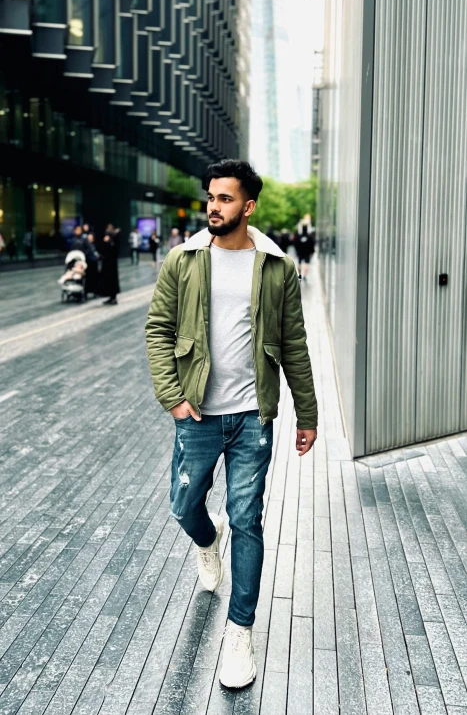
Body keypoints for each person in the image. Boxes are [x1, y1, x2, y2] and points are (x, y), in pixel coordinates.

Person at [146, 159, 318, 690]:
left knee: (248, 520)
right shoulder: (183, 259)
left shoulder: (275, 266)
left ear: (248, 205)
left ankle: (239, 634)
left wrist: (306, 413)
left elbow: (293, 343)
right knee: (184, 506)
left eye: (224, 198)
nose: (213, 206)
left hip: (251, 416)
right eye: (210, 197)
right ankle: (205, 538)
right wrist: (172, 398)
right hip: (196, 412)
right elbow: (158, 329)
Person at [99, 224, 120, 305]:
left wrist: (108, 241)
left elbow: (114, 249)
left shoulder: (114, 238)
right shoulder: (111, 237)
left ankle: (113, 297)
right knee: (108, 280)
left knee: (112, 280)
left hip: (111, 263)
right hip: (108, 262)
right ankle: (111, 297)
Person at [294, 214, 315, 281]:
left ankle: (300, 275)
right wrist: (312, 251)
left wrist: (297, 250)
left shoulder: (298, 235)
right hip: (307, 251)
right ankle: (305, 275)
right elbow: (312, 244)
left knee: (299, 262)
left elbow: (295, 243)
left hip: (300, 251)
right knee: (306, 263)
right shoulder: (309, 236)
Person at [84, 232, 99, 297]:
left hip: (94, 263)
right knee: (88, 278)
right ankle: (87, 291)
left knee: (94, 277)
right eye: (88, 238)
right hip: (88, 263)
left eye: (91, 238)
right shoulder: (86, 246)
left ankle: (95, 291)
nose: (89, 239)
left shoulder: (95, 245)